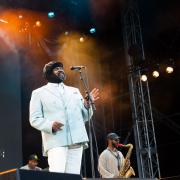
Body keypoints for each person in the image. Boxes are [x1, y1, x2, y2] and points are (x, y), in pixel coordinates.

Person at [29, 61, 99, 174]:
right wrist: (50, 125)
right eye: (56, 69)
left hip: (76, 140)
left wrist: (87, 106)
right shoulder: (39, 93)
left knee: (73, 176)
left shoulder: (74, 91)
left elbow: (84, 117)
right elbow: (34, 118)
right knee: (58, 174)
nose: (61, 70)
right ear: (48, 73)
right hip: (56, 140)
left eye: (61, 68)